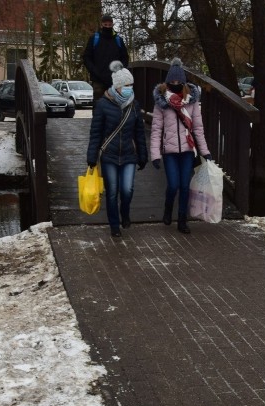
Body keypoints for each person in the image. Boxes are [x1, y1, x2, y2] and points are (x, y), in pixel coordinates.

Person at [149, 58, 212, 234]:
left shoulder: (192, 101)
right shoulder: (161, 102)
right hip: (169, 152)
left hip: (187, 151)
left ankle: (182, 220)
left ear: (183, 82)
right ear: (168, 82)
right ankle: (168, 208)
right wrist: (155, 154)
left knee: (185, 186)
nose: (175, 84)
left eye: (178, 82)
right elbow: (155, 130)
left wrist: (205, 151)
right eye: (172, 81)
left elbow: (198, 128)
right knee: (173, 185)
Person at [86, 61, 148, 238]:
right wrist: (92, 156)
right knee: (112, 192)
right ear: (118, 86)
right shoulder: (103, 105)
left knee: (127, 190)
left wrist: (143, 155)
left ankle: (125, 213)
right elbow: (96, 133)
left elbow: (139, 133)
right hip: (109, 156)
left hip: (129, 154)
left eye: (131, 85)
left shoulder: (134, 105)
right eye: (127, 85)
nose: (130, 88)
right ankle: (114, 225)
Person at [82, 14, 129, 104]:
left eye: (109, 25)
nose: (107, 26)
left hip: (115, 80)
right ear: (101, 25)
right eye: (105, 25)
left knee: (115, 105)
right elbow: (86, 57)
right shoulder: (94, 39)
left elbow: (125, 57)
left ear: (112, 25)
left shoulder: (118, 40)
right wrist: (94, 71)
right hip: (98, 79)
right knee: (98, 105)